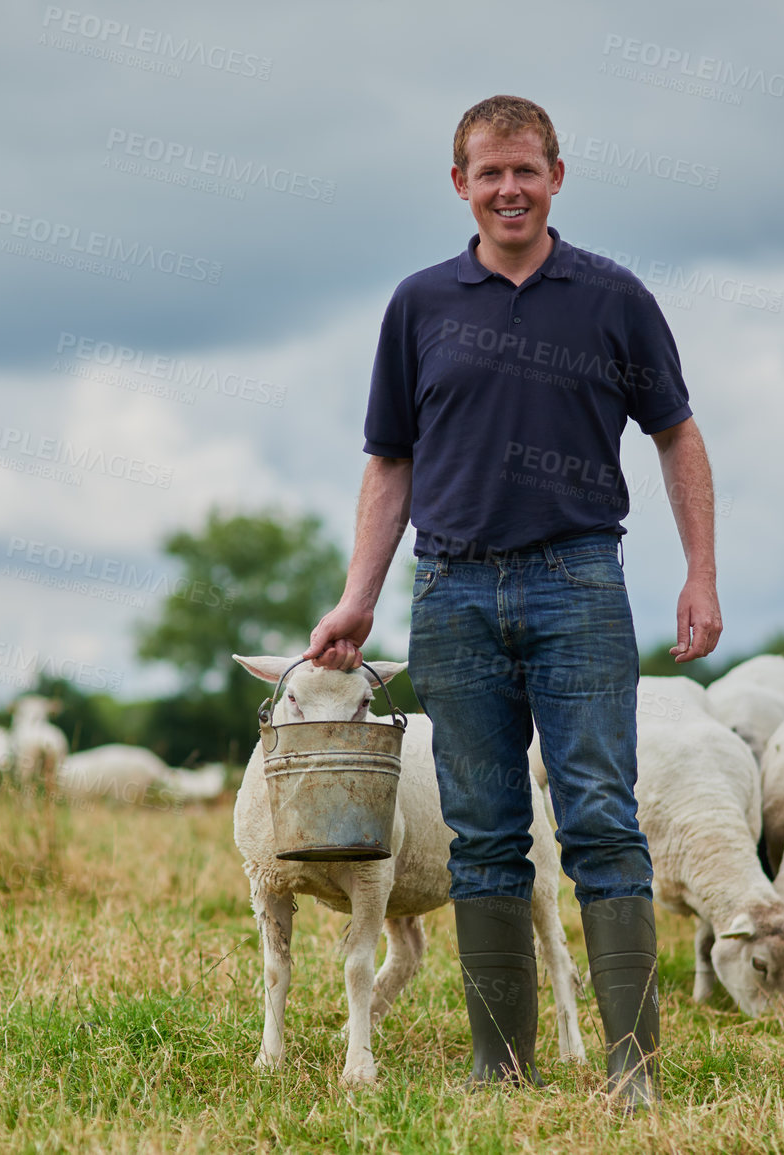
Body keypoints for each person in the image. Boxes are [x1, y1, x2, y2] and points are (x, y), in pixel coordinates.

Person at [304, 94, 721, 1107]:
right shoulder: (419, 305)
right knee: (484, 829)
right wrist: (360, 597)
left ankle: (634, 1072)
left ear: (557, 176)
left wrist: (700, 571)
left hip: (580, 581)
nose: (509, 189)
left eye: (525, 170)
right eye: (489, 173)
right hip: (450, 592)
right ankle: (501, 1070)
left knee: (600, 820)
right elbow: (388, 461)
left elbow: (677, 433)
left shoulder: (613, 297)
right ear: (460, 185)